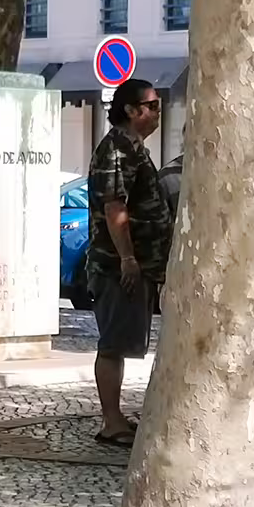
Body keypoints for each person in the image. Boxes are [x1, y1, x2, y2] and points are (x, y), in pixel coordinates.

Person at [85, 78, 173, 447]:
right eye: (151, 106)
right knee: (113, 344)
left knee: (121, 343)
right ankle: (111, 421)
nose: (157, 112)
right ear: (131, 110)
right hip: (115, 266)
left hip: (138, 265)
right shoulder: (117, 150)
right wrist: (128, 259)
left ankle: (117, 418)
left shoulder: (134, 149)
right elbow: (114, 207)